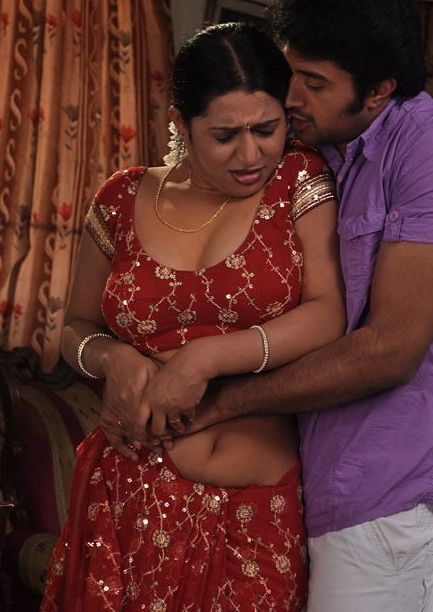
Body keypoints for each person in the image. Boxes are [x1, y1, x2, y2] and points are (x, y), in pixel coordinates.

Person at [41, 22, 345, 611]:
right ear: (181, 123)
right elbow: (75, 327)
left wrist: (204, 359)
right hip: (124, 502)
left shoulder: (298, 179)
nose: (251, 154)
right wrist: (112, 358)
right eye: (225, 136)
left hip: (253, 513)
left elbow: (327, 313)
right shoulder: (122, 198)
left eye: (267, 129)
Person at [171, 2, 433, 611]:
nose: (290, 98)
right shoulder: (318, 150)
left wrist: (219, 400)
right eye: (290, 74)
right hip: (316, 490)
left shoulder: (421, 144)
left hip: (391, 506)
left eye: (314, 83)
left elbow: (391, 349)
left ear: (378, 91)